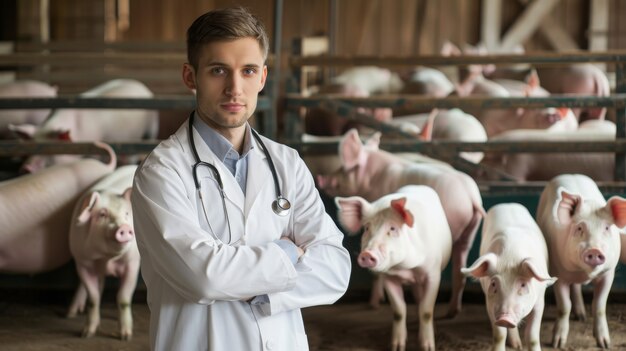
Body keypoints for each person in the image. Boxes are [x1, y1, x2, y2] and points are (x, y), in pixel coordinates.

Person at [131, 6, 351, 351]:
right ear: (191, 77)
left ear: (262, 78)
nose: (235, 88)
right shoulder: (161, 173)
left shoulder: (286, 163)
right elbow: (203, 277)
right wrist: (286, 251)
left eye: (248, 71)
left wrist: (248, 282)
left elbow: (335, 269)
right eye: (219, 70)